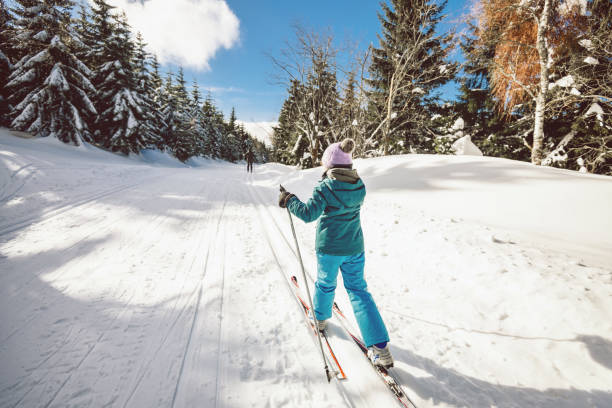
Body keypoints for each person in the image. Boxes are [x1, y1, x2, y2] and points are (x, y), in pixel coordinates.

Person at [278, 138, 393, 368]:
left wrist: (290, 199)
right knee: (359, 291)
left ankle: (319, 318)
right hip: (354, 247)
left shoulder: (326, 187)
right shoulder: (359, 185)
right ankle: (380, 348)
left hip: (330, 248)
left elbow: (309, 214)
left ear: (330, 165)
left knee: (325, 284)